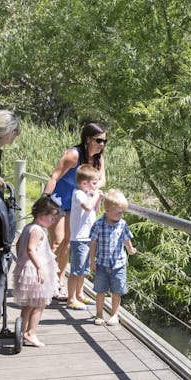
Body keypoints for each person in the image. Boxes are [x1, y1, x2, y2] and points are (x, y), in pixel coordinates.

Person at [42, 122, 107, 300]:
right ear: (87, 139)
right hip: (59, 201)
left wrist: (92, 190)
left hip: (77, 204)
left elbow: (102, 180)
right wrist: (44, 200)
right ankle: (44, 279)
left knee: (69, 243)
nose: (102, 144)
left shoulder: (98, 158)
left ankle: (59, 281)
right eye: (99, 140)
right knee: (58, 241)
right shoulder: (73, 155)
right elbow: (55, 176)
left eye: (104, 141)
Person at [12, 195, 61, 347]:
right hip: (35, 271)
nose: (53, 221)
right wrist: (39, 266)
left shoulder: (28, 227)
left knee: (29, 304)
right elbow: (30, 249)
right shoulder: (38, 230)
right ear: (41, 214)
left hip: (27, 269)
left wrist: (21, 260)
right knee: (39, 303)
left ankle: (21, 331)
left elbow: (19, 245)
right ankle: (30, 332)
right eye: (52, 218)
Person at [89, 189, 136, 327]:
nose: (120, 215)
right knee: (100, 290)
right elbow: (93, 243)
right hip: (102, 264)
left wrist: (130, 249)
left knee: (117, 291)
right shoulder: (98, 225)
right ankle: (99, 313)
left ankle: (115, 314)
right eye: (118, 213)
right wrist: (92, 261)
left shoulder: (122, 224)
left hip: (118, 264)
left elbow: (126, 239)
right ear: (107, 210)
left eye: (122, 212)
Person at [67, 165, 104, 310]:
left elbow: (95, 210)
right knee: (76, 270)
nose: (96, 186)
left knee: (84, 270)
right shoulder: (79, 194)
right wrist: (95, 196)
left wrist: (98, 199)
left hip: (89, 237)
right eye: (94, 183)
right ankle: (71, 299)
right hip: (79, 238)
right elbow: (87, 207)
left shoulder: (88, 194)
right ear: (84, 183)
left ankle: (80, 294)